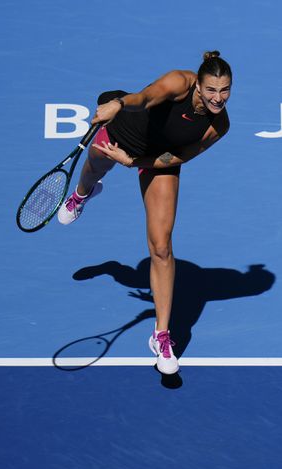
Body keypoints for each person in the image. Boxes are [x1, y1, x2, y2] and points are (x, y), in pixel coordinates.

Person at [57, 51, 232, 374]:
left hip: (157, 158)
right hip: (125, 129)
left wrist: (132, 163)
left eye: (224, 91)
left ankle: (162, 335)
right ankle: (83, 194)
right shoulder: (179, 82)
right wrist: (118, 105)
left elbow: (178, 158)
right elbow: (145, 98)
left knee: (162, 247)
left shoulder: (219, 125)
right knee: (95, 166)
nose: (217, 98)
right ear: (198, 85)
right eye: (211, 90)